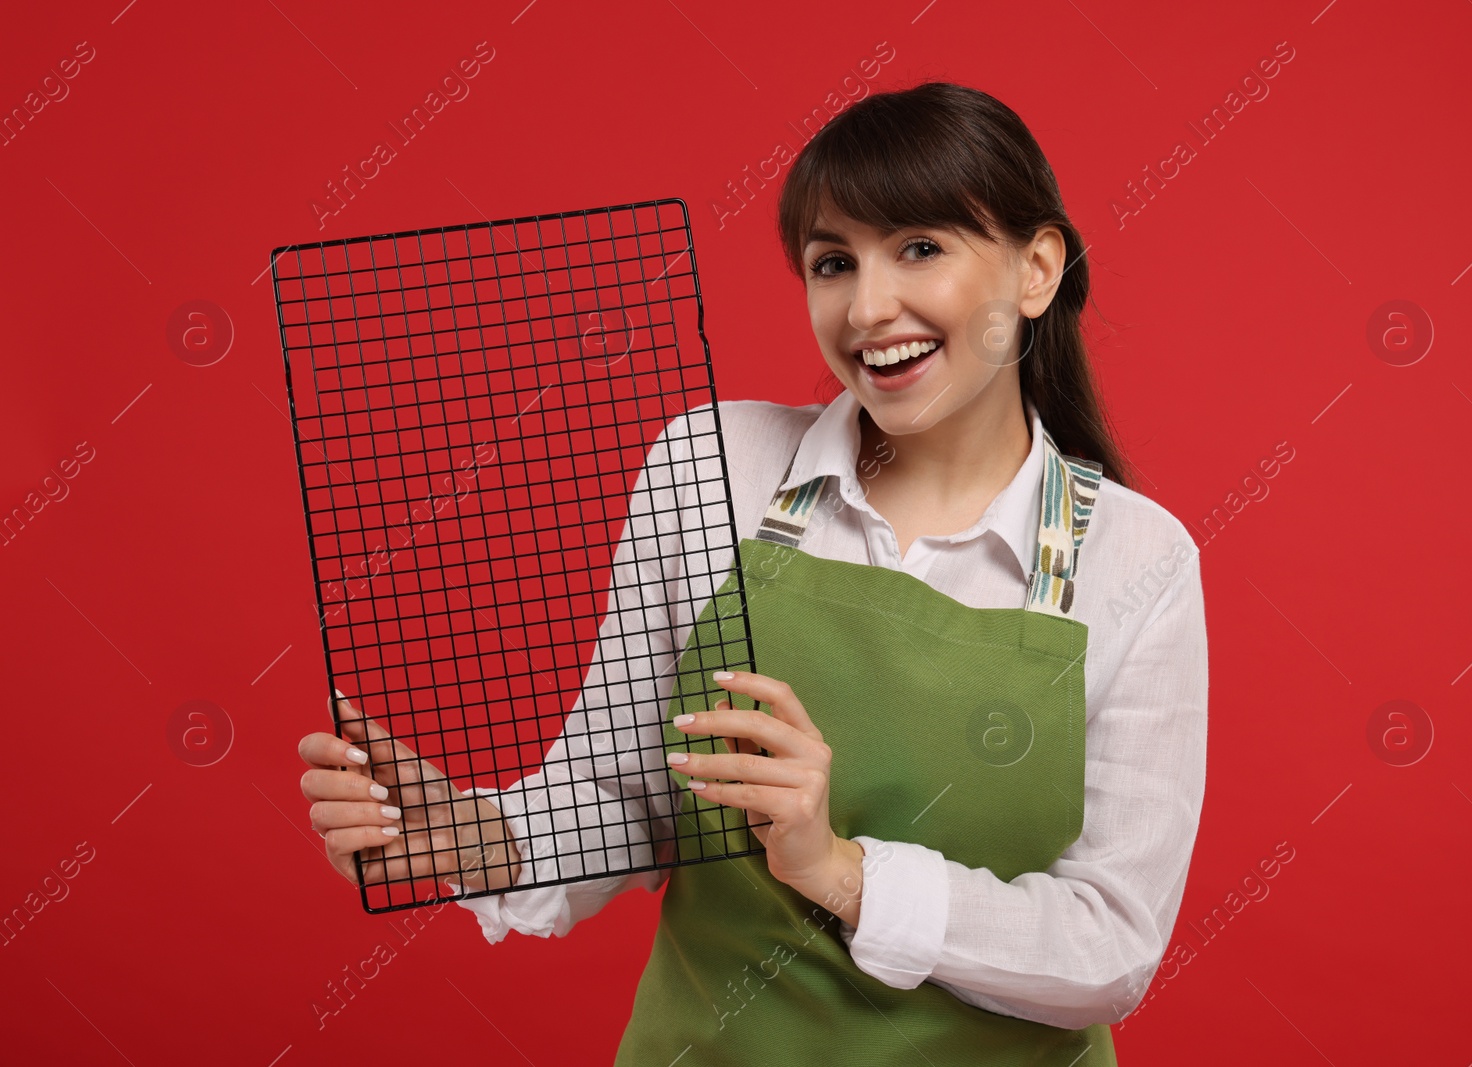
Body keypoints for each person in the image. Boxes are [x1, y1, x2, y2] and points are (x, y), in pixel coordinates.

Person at [298, 80, 1207, 1065]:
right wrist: (475, 837)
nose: (867, 307)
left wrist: (839, 868)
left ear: (1035, 269)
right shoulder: (715, 462)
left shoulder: (1135, 557)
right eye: (831, 261)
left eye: (919, 248)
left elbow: (1109, 944)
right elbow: (630, 797)